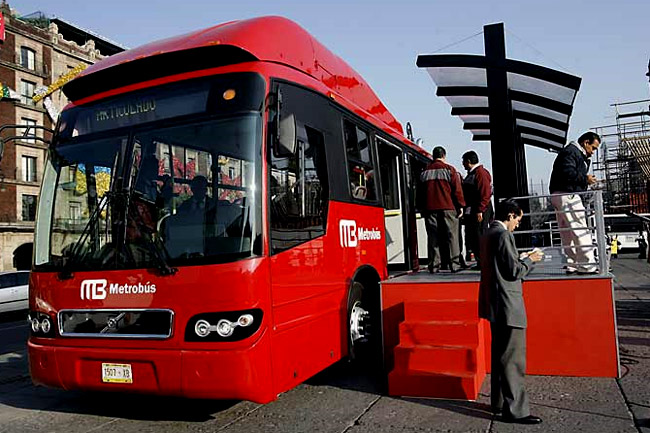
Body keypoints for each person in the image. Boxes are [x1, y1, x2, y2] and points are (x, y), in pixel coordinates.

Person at [479, 199, 543, 425]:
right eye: (518, 218)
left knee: (499, 357)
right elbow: (514, 271)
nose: (517, 223)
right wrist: (531, 260)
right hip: (509, 305)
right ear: (510, 215)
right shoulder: (504, 235)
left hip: (494, 304)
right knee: (513, 361)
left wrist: (521, 258)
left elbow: (499, 266)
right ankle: (516, 410)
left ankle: (497, 403)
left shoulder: (488, 233)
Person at [549, 131, 600, 274]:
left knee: (567, 232)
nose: (593, 152)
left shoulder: (568, 152)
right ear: (586, 143)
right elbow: (568, 172)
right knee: (580, 230)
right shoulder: (572, 153)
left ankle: (572, 263)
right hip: (568, 194)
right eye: (593, 148)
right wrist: (585, 179)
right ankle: (586, 265)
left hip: (558, 194)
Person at [420, 146, 465, 273]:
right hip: (448, 207)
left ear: (433, 156)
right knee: (452, 236)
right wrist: (460, 205)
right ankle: (454, 264)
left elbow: (420, 192)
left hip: (430, 208)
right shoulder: (449, 170)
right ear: (444, 156)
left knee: (433, 237)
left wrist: (422, 208)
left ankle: (434, 265)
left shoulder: (424, 171)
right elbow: (457, 190)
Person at [461, 150, 494, 270]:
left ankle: (483, 261)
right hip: (476, 209)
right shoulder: (475, 173)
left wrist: (480, 209)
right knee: (475, 236)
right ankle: (481, 260)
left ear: (468, 162)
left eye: (463, 161)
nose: (463, 164)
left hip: (480, 210)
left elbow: (485, 193)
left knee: (480, 235)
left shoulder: (480, 173)